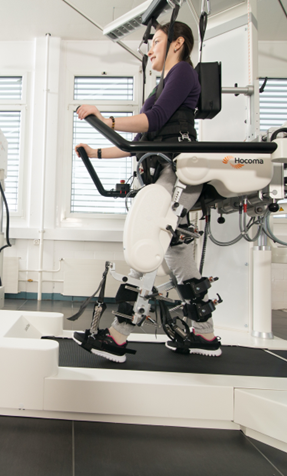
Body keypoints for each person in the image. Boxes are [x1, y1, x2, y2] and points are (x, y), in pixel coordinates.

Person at [72, 21, 221, 363]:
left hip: (179, 173)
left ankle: (118, 336)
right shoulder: (160, 87)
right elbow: (136, 143)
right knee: (178, 254)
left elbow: (153, 121)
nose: (150, 48)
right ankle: (205, 334)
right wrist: (94, 153)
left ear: (177, 43)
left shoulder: (182, 71)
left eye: (156, 41)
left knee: (147, 241)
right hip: (164, 173)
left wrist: (106, 120)